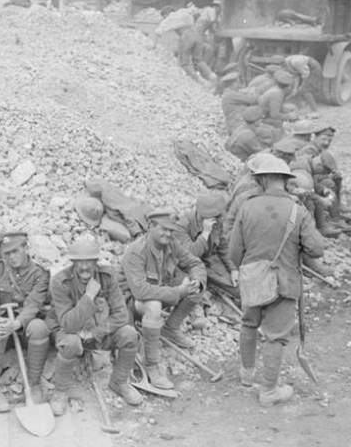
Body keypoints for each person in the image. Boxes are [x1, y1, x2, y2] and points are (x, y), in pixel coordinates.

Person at [229, 156, 326, 406]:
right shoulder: (297, 210)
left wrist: (251, 263)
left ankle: (247, 375)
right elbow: (317, 249)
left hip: (254, 278)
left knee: (249, 323)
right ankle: (269, 391)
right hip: (284, 282)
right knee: (276, 336)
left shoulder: (247, 206)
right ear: (284, 180)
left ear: (262, 179)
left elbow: (234, 253)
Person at [48, 236, 142, 414]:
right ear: (73, 262)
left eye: (89, 261)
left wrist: (95, 333)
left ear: (96, 261)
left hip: (98, 333)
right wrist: (88, 297)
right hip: (72, 333)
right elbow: (67, 325)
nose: (84, 267)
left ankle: (119, 382)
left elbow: (121, 315)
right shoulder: (61, 282)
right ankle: (60, 392)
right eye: (79, 262)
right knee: (70, 343)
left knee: (129, 334)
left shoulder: (107, 277)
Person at [119, 209, 207, 389]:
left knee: (194, 287)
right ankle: (151, 365)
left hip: (157, 294)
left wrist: (197, 281)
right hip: (129, 305)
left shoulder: (171, 244)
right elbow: (141, 292)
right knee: (153, 305)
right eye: (164, 229)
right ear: (151, 226)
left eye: (171, 230)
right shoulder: (137, 251)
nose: (168, 234)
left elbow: (195, 263)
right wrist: (178, 292)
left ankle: (170, 328)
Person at [0, 231, 50, 413]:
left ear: (26, 248)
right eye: (7, 253)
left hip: (24, 328)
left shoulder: (39, 274)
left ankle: (33, 384)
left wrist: (16, 324)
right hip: (4, 327)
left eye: (15, 251)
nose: (11, 257)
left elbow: (33, 304)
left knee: (39, 328)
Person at [173, 192, 239, 299]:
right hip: (190, 267)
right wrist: (205, 233)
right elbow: (190, 255)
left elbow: (223, 247)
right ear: (209, 217)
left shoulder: (216, 222)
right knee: (194, 293)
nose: (223, 217)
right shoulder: (182, 225)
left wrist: (233, 269)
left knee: (239, 287)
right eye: (220, 215)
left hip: (211, 261)